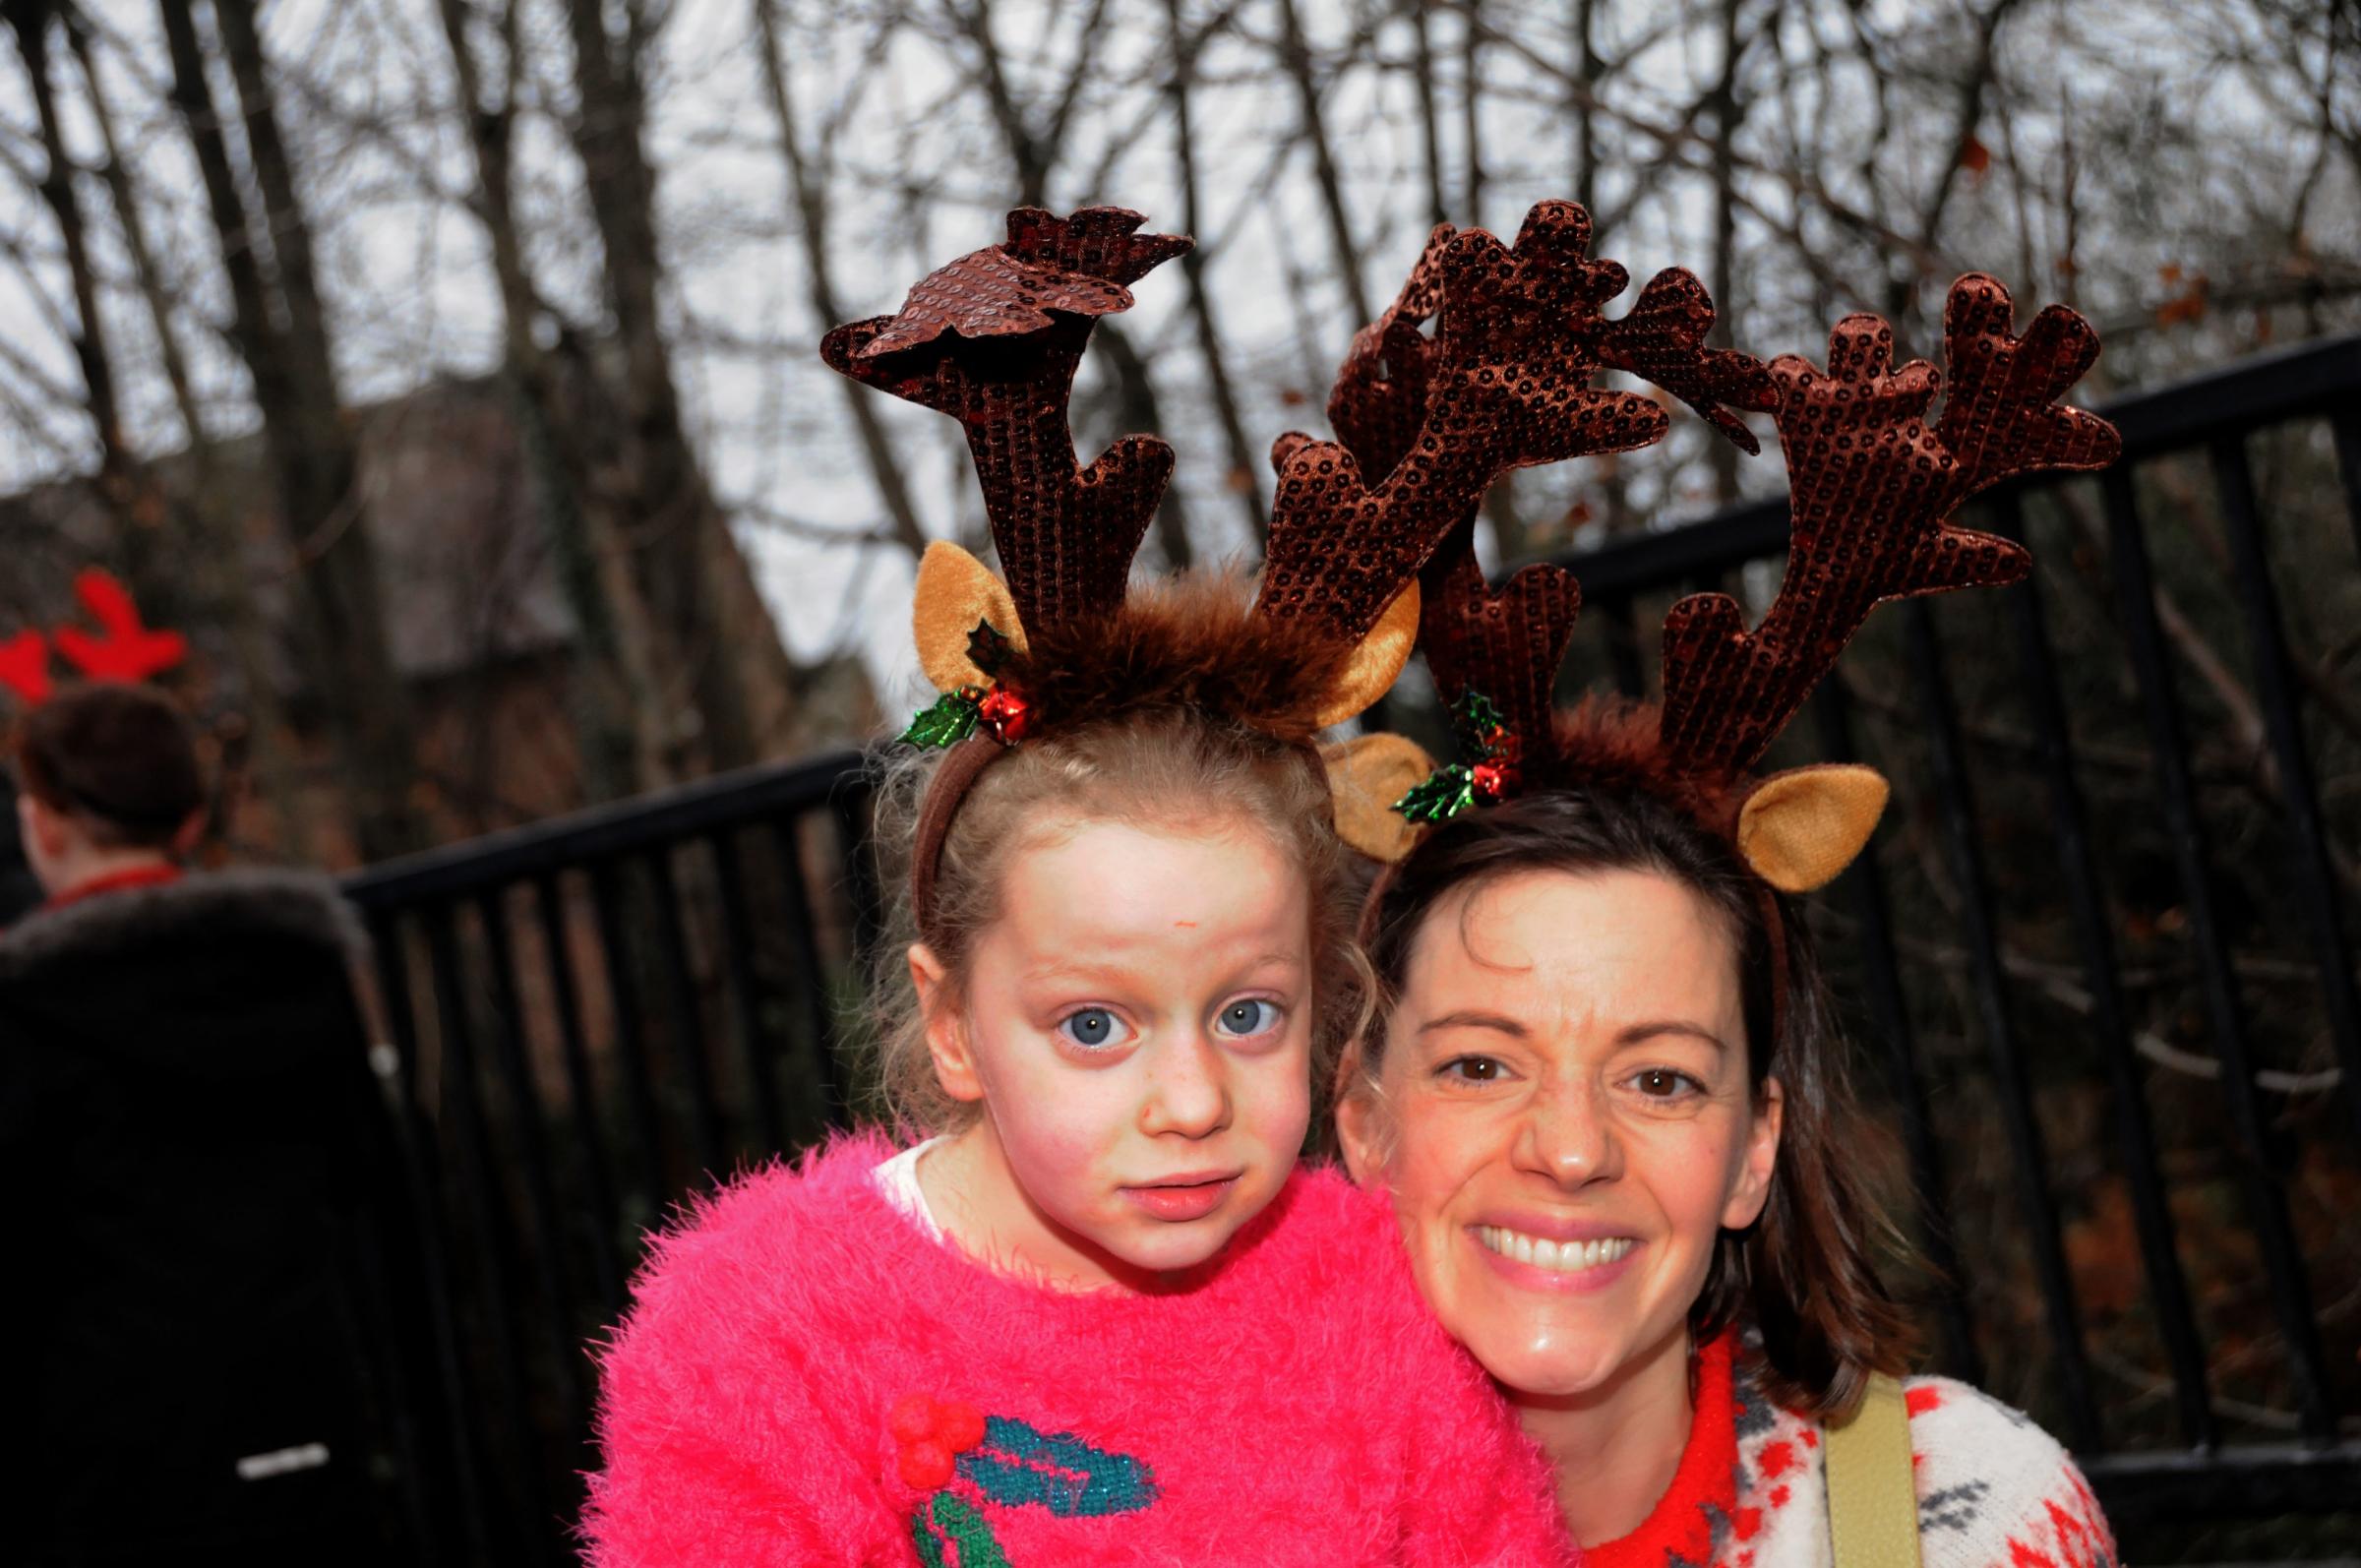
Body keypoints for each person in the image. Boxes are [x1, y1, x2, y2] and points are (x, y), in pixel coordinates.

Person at [582, 200, 1789, 1565]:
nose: (1194, 1101)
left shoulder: (1376, 1302)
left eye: (1247, 1014)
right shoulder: (765, 1325)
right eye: (1093, 1025)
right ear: (951, 1024)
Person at [1326, 273, 2123, 1566]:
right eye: (1480, 1059)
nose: (1572, 1147)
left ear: (1755, 1148)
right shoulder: (1170, 1525)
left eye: (1660, 1075)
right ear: (1364, 1116)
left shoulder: (1958, 1515)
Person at [0, 682, 402, 1567]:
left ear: (50, 826)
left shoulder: (28, 1012)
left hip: (115, 1461)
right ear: (186, 822)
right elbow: (365, 1174)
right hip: (306, 1413)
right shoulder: (298, 966)